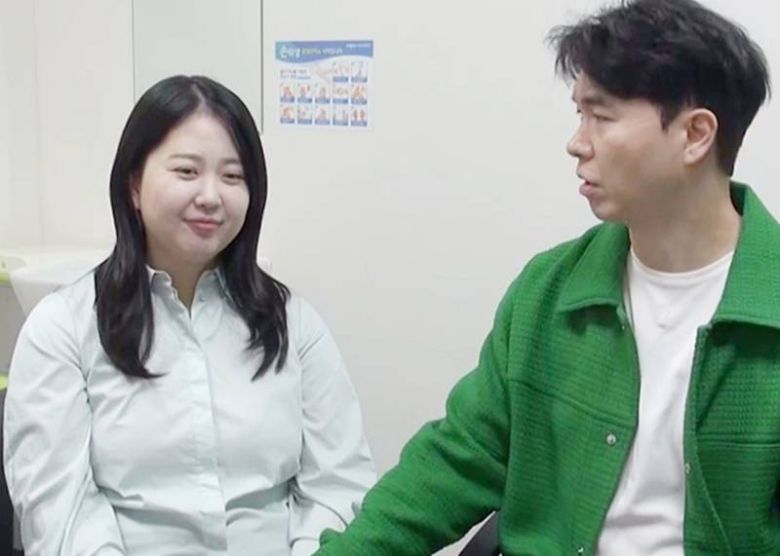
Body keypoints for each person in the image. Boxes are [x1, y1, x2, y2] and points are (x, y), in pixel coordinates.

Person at [315, 0, 775, 554]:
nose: (577, 142)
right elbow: (458, 458)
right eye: (579, 115)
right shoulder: (550, 292)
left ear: (695, 134)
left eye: (601, 117)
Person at [3, 75, 376, 555]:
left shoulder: (293, 324)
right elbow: (63, 516)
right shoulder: (63, 329)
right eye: (186, 171)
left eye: (232, 176)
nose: (211, 196)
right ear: (134, 185)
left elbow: (338, 484)